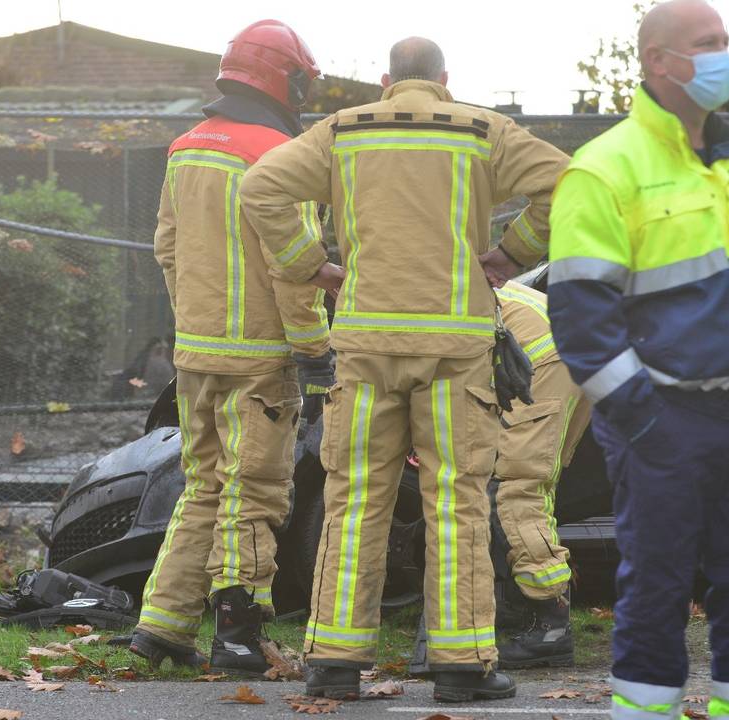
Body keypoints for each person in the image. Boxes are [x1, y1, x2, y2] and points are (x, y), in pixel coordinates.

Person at [241, 36, 570, 702]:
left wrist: (313, 266)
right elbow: (568, 184)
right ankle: (460, 667)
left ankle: (333, 661)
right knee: (457, 501)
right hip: (456, 349)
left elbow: (260, 189)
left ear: (387, 79)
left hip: (366, 346)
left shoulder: (343, 132)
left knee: (355, 498)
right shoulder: (484, 132)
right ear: (445, 79)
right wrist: (510, 253)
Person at [546, 1, 729, 718]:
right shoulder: (605, 169)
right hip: (665, 419)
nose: (725, 54)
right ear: (658, 61)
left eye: (725, 40)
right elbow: (581, 321)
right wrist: (645, 422)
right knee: (656, 588)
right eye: (706, 43)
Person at [128, 19, 334, 676]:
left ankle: (161, 626)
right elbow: (294, 264)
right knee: (257, 492)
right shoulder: (282, 153)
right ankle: (241, 637)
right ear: (286, 79)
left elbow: (166, 247)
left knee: (203, 489)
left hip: (196, 355)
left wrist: (196, 318)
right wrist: (314, 348)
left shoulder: (187, 145)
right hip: (260, 359)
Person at [488, 280, 592, 669]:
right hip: (573, 354)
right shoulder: (443, 268)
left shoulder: (412, 292)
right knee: (538, 489)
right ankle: (525, 608)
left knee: (516, 490)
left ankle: (550, 625)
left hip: (545, 363)